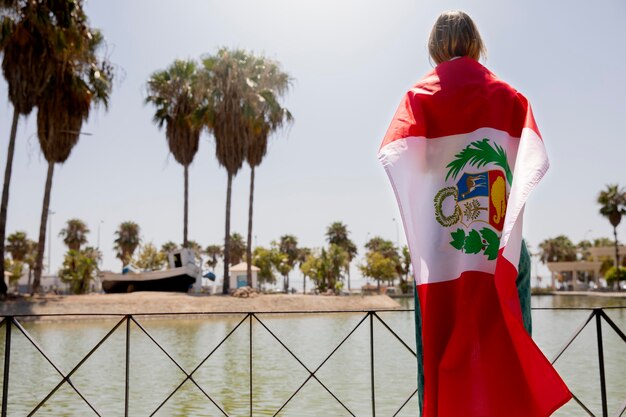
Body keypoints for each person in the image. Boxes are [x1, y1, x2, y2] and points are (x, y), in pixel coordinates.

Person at [378, 11, 570, 417]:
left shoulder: (418, 99)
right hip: (501, 245)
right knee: (509, 343)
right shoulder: (510, 96)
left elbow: (397, 155)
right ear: (477, 42)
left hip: (442, 251)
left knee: (437, 349)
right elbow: (528, 159)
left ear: (434, 47)